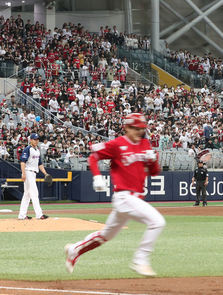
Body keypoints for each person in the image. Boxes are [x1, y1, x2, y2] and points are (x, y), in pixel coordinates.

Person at [64, 113, 165, 277]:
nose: (140, 132)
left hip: (134, 198)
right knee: (158, 222)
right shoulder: (118, 144)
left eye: (142, 129)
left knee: (106, 235)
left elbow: (154, 173)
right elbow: (93, 157)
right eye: (136, 129)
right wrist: (97, 176)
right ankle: (141, 260)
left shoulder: (145, 143)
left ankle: (74, 250)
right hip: (124, 197)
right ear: (127, 127)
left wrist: (153, 160)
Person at [18, 133, 50, 220]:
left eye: (37, 139)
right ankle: (39, 214)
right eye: (34, 139)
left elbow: (40, 164)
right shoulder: (27, 149)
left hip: (33, 173)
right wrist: (23, 173)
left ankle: (22, 215)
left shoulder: (37, 150)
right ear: (30, 140)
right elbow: (22, 162)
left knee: (27, 195)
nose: (36, 141)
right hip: (28, 172)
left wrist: (45, 173)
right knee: (34, 193)